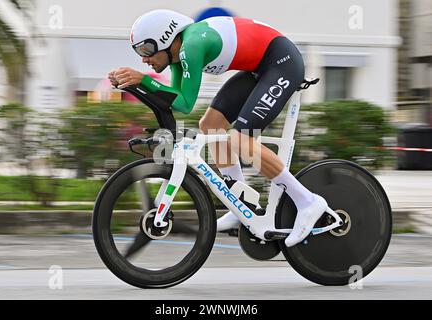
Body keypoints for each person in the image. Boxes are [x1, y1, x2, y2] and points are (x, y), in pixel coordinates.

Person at [108, 9, 328, 247]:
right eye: (139, 52)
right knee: (210, 126)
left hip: (282, 63)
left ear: (165, 38)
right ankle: (240, 203)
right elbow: (180, 104)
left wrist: (144, 80)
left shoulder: (191, 46)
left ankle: (308, 201)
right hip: (260, 69)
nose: (144, 59)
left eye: (146, 50)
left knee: (241, 140)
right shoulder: (176, 58)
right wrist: (136, 85)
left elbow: (183, 103)